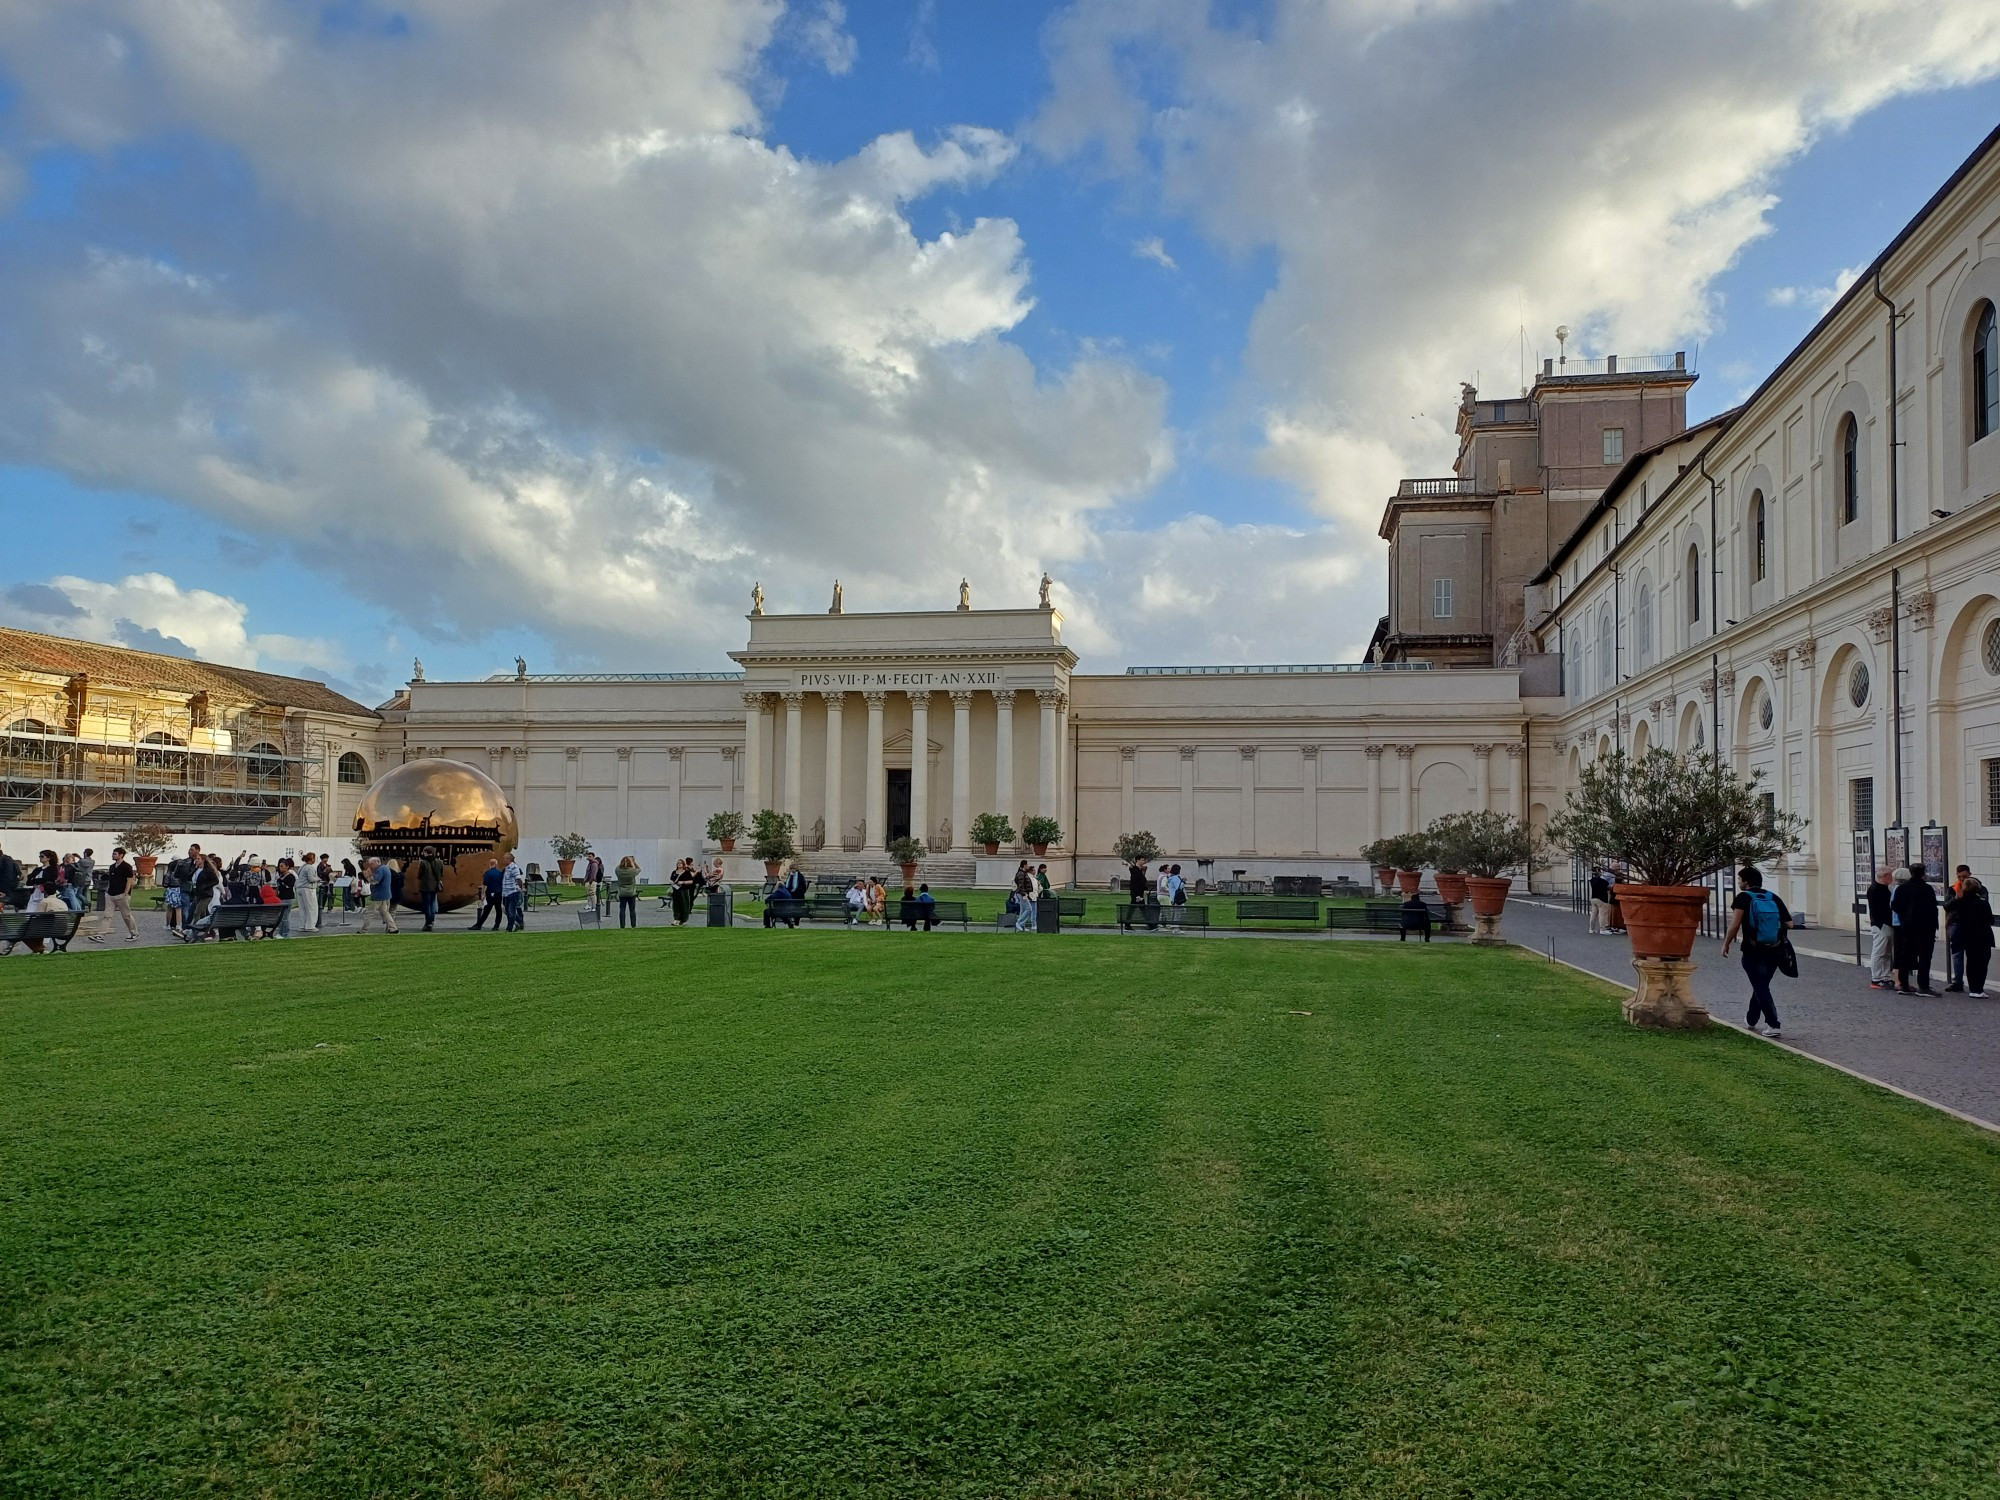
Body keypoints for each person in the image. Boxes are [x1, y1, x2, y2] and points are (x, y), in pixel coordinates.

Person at [1721, 865, 1791, 1037]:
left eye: (1739, 879)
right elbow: (1790, 924)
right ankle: (1751, 1018)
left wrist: (1726, 943)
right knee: (1761, 985)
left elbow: (1735, 924)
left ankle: (1773, 1025)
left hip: (1753, 950)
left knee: (1760, 986)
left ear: (1746, 881)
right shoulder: (1773, 897)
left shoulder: (1743, 898)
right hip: (1774, 950)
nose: (1738, 882)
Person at [1890, 865, 1940, 996]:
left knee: (1905, 955)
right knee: (1925, 957)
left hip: (1907, 926)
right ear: (1923, 873)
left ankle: (1904, 984)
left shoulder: (1902, 888)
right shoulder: (1927, 889)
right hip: (1925, 927)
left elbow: (1894, 905)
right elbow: (1932, 908)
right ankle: (1923, 986)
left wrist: (1904, 916)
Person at [1944, 875, 1995, 998]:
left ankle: (1973, 988)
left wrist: (1956, 897)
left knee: (1971, 962)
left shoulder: (1960, 902)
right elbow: (1991, 920)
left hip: (1967, 935)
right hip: (1983, 936)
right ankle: (1979, 988)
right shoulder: (1982, 903)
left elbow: (1947, 907)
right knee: (1982, 963)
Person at [97, 847, 139, 941]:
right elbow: (111, 880)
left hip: (121, 895)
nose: (113, 855)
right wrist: (107, 892)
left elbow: (129, 880)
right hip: (110, 895)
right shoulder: (112, 867)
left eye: (115, 854)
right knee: (107, 915)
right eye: (113, 853)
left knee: (126, 915)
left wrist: (126, 893)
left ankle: (134, 933)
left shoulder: (126, 867)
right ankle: (100, 934)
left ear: (121, 855)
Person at [1945, 863, 1973, 991]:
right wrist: (1956, 897)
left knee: (1973, 954)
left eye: (1964, 876)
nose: (1962, 879)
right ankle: (1958, 981)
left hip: (1972, 925)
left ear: (1969, 875)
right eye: (1959, 876)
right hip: (1956, 924)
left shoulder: (1976, 888)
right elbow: (1947, 906)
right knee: (1957, 954)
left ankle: (1974, 982)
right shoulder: (1952, 889)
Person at [1865, 868, 1895, 989]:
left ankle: (1885, 976)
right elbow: (1880, 910)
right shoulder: (1875, 889)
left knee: (1887, 952)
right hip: (1881, 924)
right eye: (1890, 876)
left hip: (1885, 924)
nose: (1891, 878)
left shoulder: (1883, 889)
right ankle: (1876, 978)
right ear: (1885, 876)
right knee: (1879, 952)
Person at [358, 856, 401, 935]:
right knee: (385, 912)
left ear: (377, 862)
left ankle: (363, 930)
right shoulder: (386, 868)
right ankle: (393, 928)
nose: (370, 866)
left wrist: (367, 874)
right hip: (386, 894)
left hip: (379, 895)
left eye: (371, 864)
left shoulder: (381, 870)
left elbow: (375, 881)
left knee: (370, 913)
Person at [765, 862, 807, 928]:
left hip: (797, 896)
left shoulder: (800, 877)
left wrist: (796, 890)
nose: (791, 870)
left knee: (796, 910)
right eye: (790, 869)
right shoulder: (790, 876)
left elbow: (803, 888)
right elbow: (788, 884)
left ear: (796, 869)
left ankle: (796, 923)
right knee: (786, 910)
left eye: (792, 869)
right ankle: (790, 923)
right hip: (790, 895)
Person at [473, 857, 505, 930]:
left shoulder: (488, 873)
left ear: (490, 864)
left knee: (487, 910)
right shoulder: (500, 873)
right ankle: (496, 925)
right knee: (498, 910)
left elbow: (485, 885)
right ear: (496, 864)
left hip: (490, 893)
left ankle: (478, 925)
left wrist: (483, 894)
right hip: (498, 893)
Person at [501, 854, 527, 931]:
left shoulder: (514, 868)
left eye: (505, 859)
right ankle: (520, 921)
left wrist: (521, 888)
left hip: (513, 892)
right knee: (506, 910)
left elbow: (518, 879)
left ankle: (509, 928)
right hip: (505, 892)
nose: (503, 860)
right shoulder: (506, 868)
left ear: (509, 860)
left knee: (511, 911)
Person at [614, 855, 641, 927]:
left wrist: (624, 861)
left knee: (622, 909)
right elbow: (639, 869)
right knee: (632, 909)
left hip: (622, 893)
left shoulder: (618, 871)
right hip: (631, 892)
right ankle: (633, 925)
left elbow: (617, 867)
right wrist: (633, 862)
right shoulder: (632, 871)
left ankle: (622, 925)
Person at [1588, 868, 1613, 934]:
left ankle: (1591, 929)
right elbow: (1610, 888)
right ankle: (1603, 929)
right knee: (1602, 915)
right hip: (1602, 899)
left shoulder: (1592, 880)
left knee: (1593, 914)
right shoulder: (1604, 882)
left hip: (1593, 898)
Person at [1013, 862, 1037, 932]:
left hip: (1024, 893)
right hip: (1022, 894)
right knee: (1029, 909)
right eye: (1027, 865)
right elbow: (1021, 885)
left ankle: (1022, 926)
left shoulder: (1023, 873)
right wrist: (1024, 894)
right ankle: (1019, 923)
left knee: (1023, 910)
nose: (1028, 866)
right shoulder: (1021, 874)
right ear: (1024, 865)